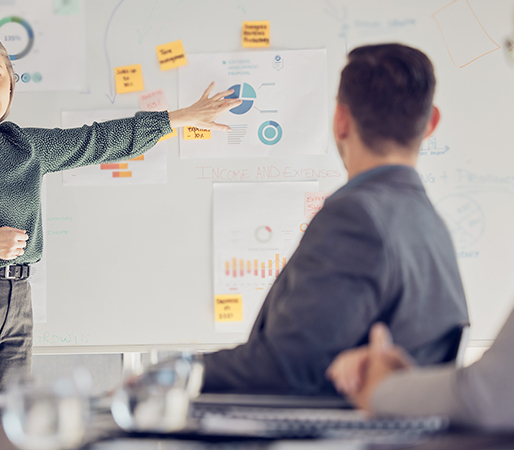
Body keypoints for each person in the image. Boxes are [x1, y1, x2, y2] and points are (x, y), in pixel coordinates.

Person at [0, 31, 242, 395]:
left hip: (18, 298)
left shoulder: (24, 146)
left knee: (5, 422)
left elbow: (98, 141)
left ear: (10, 83)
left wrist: (180, 118)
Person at [326, 1, 514, 447]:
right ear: (430, 123)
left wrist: (380, 389)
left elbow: (493, 397)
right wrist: (409, 386)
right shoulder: (427, 219)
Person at [200, 44, 469, 395]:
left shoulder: (355, 217)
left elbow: (287, 367)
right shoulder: (429, 223)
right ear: (430, 123)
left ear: (341, 120)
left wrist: (174, 373)